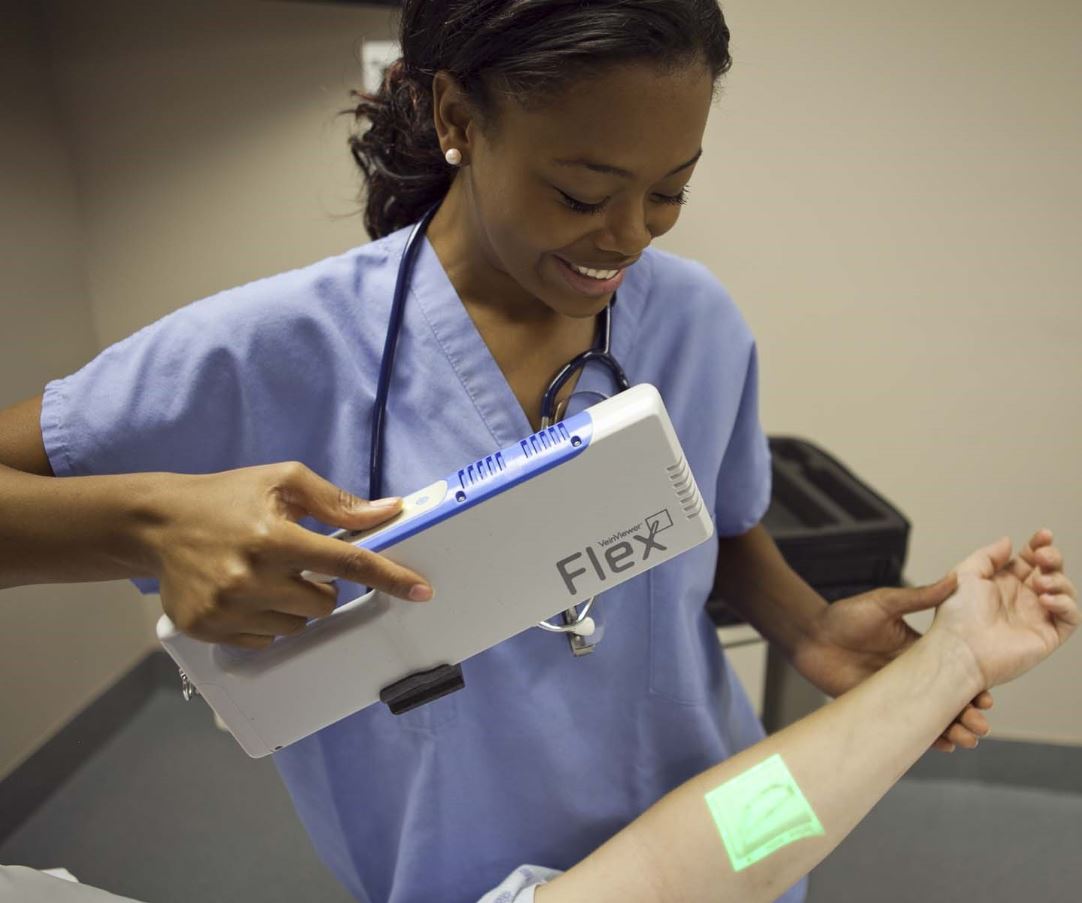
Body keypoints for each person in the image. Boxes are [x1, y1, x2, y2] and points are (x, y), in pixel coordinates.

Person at [0, 2, 1073, 901]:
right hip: (461, 874)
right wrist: (147, 523)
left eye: (670, 191)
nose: (629, 236)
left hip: (733, 844)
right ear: (456, 117)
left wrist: (807, 627)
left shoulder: (694, 321)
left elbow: (713, 519)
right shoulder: (277, 350)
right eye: (580, 194)